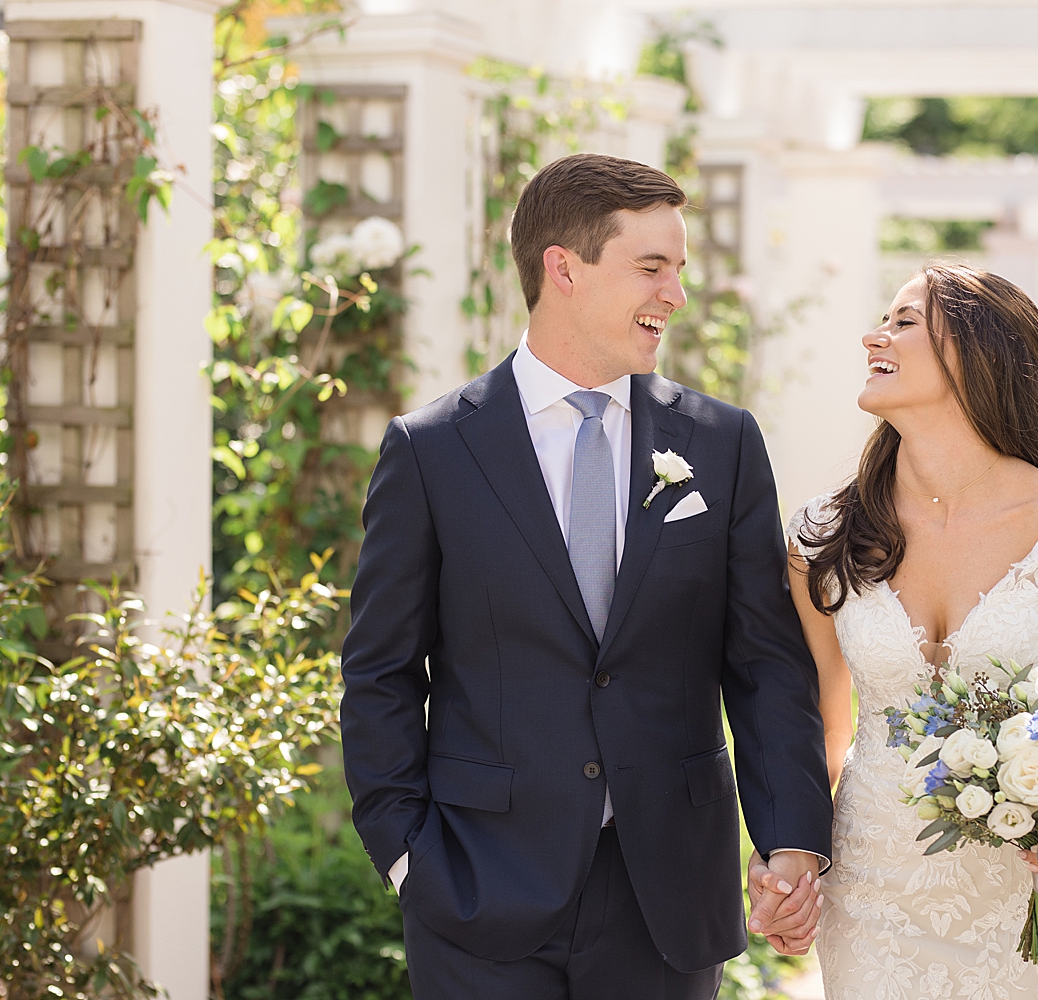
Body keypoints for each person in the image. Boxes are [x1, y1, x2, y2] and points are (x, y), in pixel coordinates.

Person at [339, 152, 833, 1000]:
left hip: (666, 895)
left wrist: (791, 837)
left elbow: (764, 664)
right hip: (477, 888)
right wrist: (406, 856)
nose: (675, 295)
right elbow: (380, 670)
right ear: (562, 269)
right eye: (652, 268)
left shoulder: (723, 443)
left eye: (679, 270)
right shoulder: (431, 451)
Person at [780, 265, 1038, 998]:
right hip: (871, 887)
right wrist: (793, 858)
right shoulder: (824, 534)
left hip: (1016, 897)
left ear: (977, 355)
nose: (876, 335)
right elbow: (819, 728)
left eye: (904, 321)